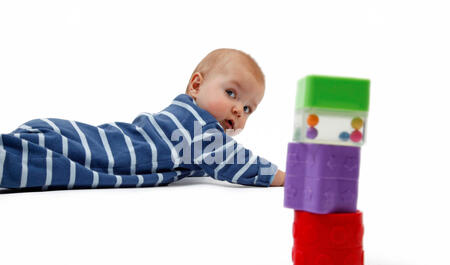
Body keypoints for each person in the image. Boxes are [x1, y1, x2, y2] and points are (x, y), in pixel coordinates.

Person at [0, 48, 285, 191]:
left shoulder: (191, 139)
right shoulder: (191, 124)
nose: (238, 110)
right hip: (75, 145)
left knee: (29, 166)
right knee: (21, 167)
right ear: (196, 86)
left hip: (71, 140)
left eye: (248, 108)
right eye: (231, 93)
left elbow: (203, 161)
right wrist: (285, 177)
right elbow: (230, 161)